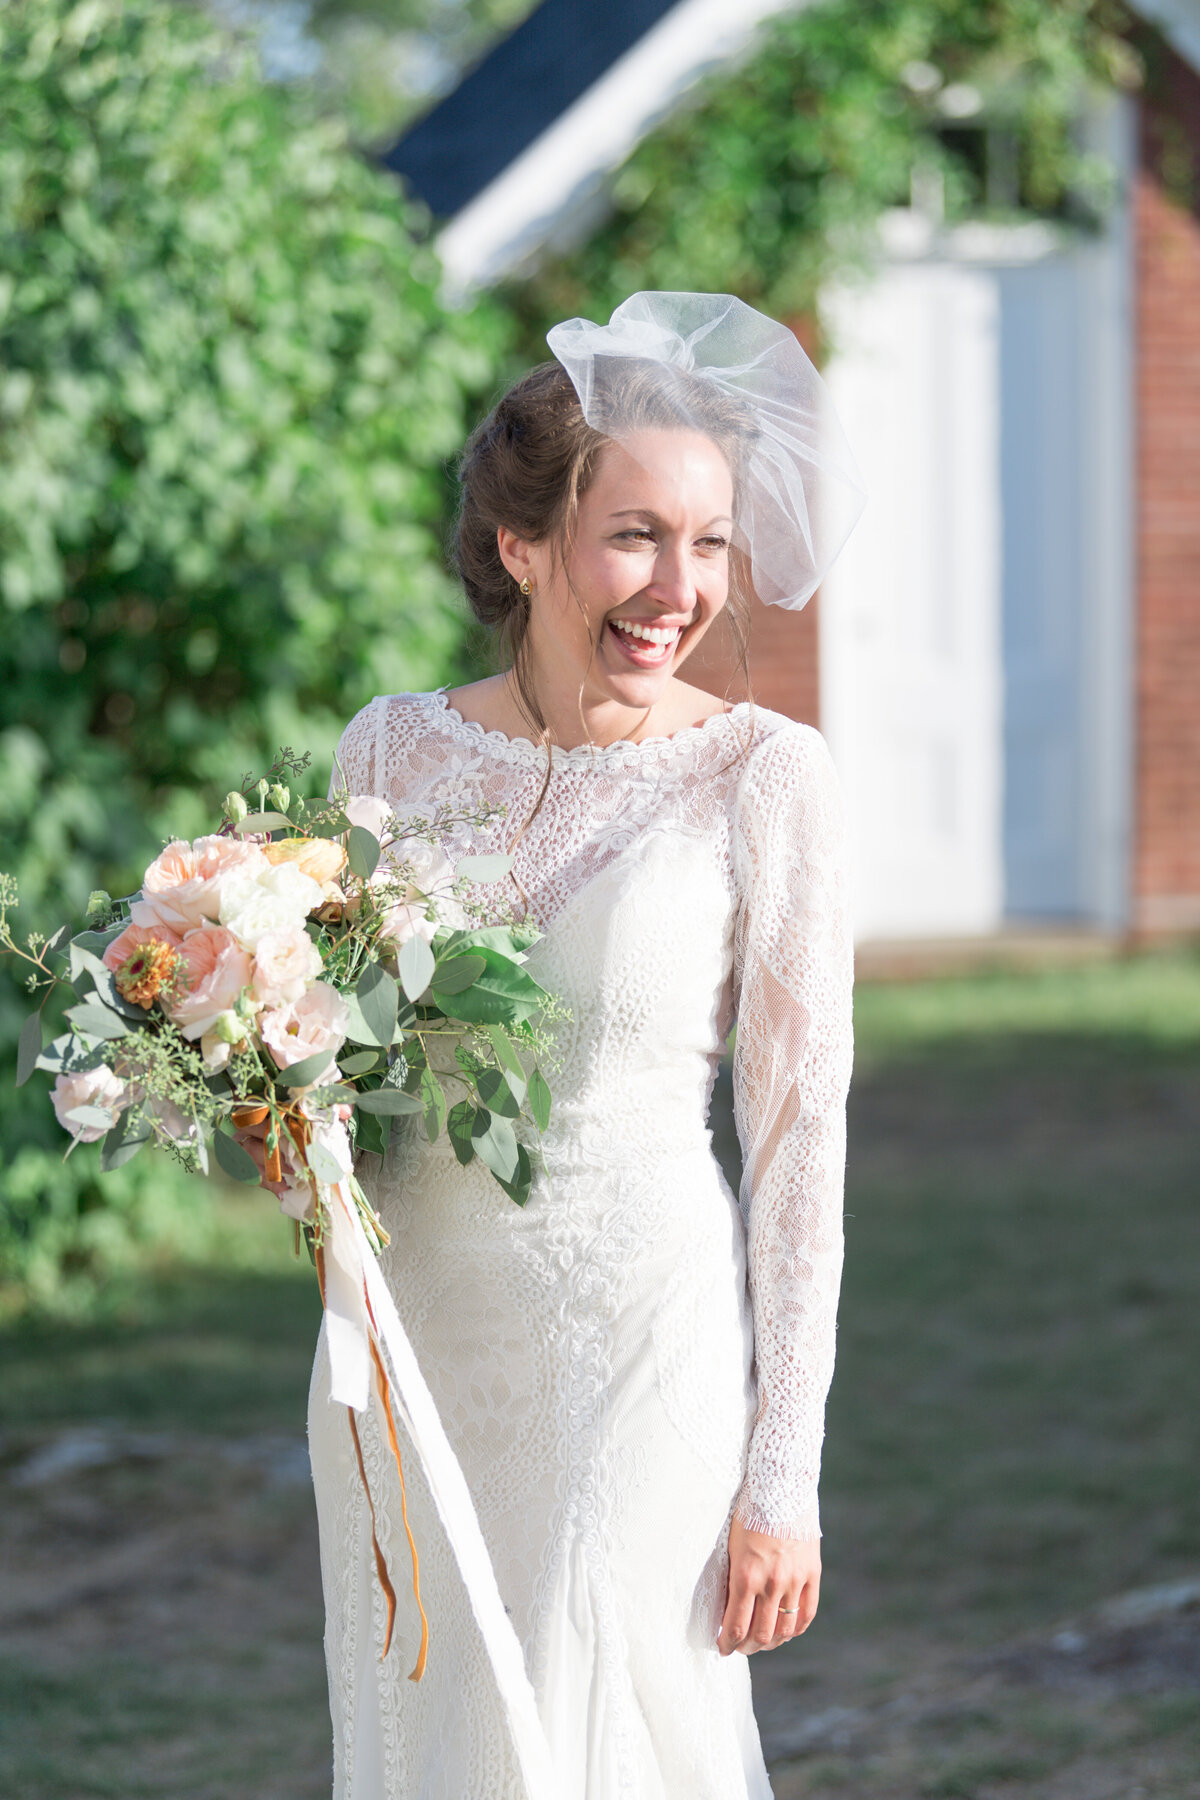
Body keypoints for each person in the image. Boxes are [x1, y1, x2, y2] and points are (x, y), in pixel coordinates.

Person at [307, 292, 864, 1799]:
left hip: (642, 1338)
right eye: (635, 535)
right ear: (522, 546)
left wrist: (782, 1477)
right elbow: (348, 1064)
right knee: (449, 1735)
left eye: (708, 542)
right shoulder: (390, 750)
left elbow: (802, 1137)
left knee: (610, 1716)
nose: (680, 585)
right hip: (418, 1339)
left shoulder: (763, 775)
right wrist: (260, 1090)